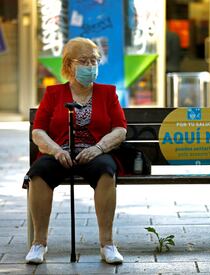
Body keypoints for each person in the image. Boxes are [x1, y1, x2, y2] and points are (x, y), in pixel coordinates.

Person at [23, 37, 126, 264]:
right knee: (39, 172)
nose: (90, 66)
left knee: (107, 171)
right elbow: (38, 131)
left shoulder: (108, 93)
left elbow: (120, 129)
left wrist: (99, 148)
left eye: (94, 61)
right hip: (60, 152)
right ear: (69, 65)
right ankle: (38, 244)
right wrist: (56, 150)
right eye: (84, 61)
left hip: (94, 153)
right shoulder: (53, 94)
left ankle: (107, 244)